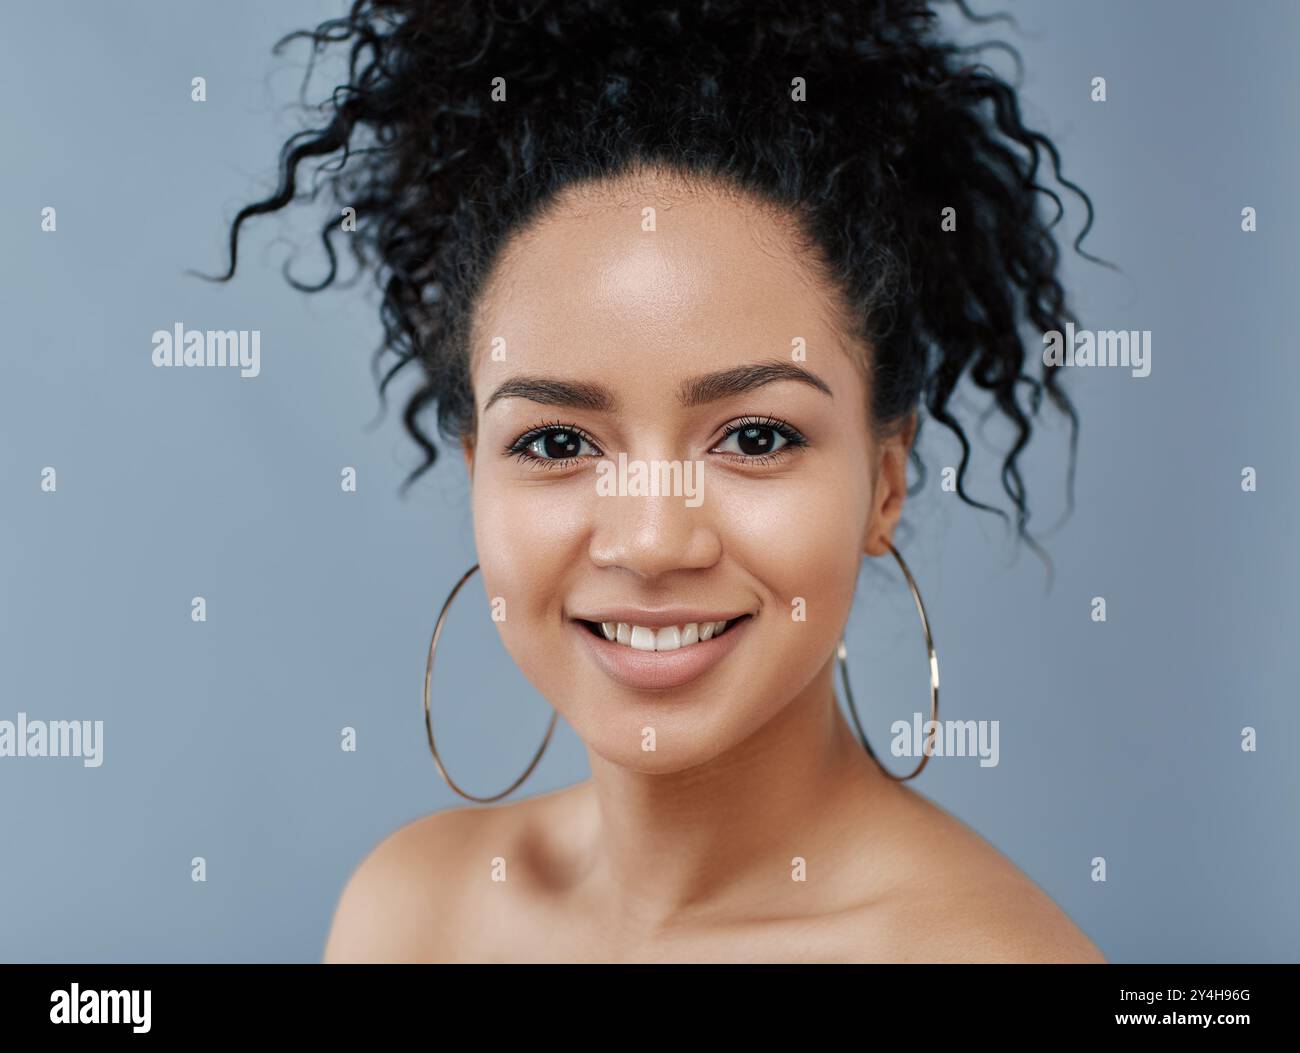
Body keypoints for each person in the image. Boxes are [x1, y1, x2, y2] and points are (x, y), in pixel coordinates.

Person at [209, 0, 1107, 963]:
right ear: (477, 471)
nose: (650, 541)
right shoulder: (411, 912)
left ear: (885, 481)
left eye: (754, 435)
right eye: (556, 443)